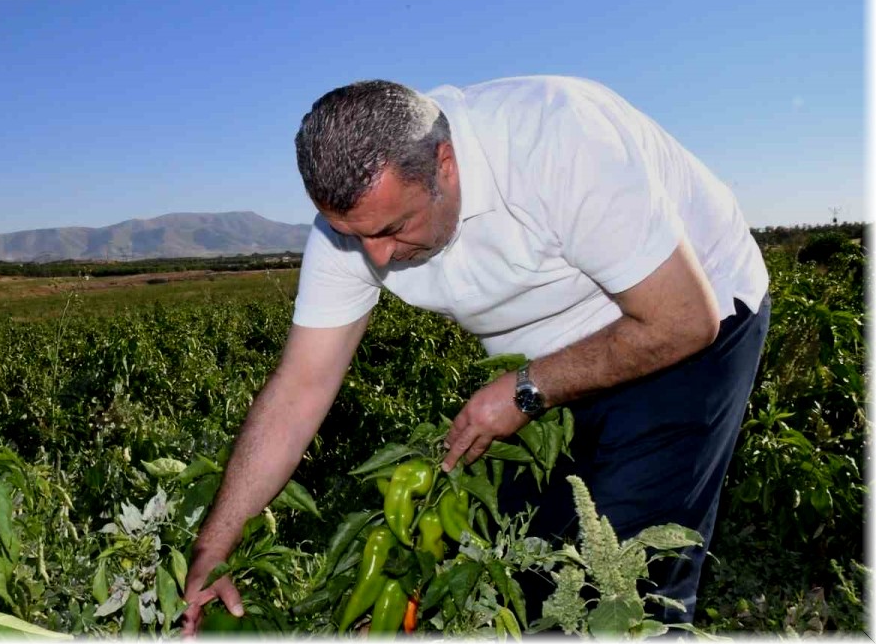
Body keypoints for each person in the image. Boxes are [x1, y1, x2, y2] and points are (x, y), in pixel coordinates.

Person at [179, 76, 770, 635]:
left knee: (619, 580)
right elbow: (300, 389)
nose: (377, 259)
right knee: (517, 561)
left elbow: (683, 321)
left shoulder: (557, 142)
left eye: (393, 228)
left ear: (446, 165)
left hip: (689, 322)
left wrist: (527, 390)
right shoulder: (355, 229)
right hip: (542, 358)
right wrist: (214, 547)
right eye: (356, 236)